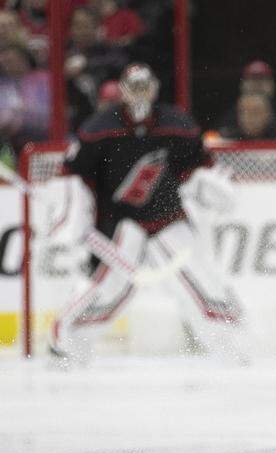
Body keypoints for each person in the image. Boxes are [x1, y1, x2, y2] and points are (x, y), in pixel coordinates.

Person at [48, 63, 244, 366]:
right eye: (133, 87)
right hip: (120, 223)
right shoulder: (99, 128)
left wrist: (208, 187)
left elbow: (197, 167)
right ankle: (66, 340)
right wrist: (71, 212)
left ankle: (232, 340)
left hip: (167, 217)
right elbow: (74, 174)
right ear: (123, 90)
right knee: (112, 289)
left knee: (200, 276)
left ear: (154, 88)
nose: (139, 94)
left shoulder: (176, 123)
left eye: (144, 86)